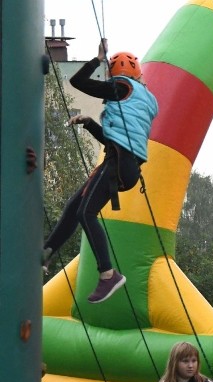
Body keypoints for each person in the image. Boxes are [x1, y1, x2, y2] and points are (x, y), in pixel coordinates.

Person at [42, 42, 158, 303]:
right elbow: (113, 140)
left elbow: (78, 81)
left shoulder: (122, 88)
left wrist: (97, 59)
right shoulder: (138, 102)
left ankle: (108, 274)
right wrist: (89, 123)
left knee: (85, 212)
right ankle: (46, 253)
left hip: (118, 164)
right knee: (75, 207)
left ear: (115, 75)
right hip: (124, 166)